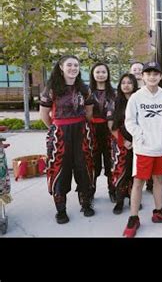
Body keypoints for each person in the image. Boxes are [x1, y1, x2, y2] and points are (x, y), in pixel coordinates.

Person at [122, 61, 162, 237]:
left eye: (155, 74)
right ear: (143, 76)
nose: (152, 77)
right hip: (143, 149)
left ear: (160, 76)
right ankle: (133, 217)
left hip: (160, 148)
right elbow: (130, 121)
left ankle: (159, 211)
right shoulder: (136, 97)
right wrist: (141, 136)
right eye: (148, 74)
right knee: (138, 182)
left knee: (159, 180)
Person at [40, 55, 95, 224]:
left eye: (76, 65)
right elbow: (44, 115)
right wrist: (56, 128)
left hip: (81, 132)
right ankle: (61, 210)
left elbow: (89, 112)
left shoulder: (84, 89)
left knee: (83, 166)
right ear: (61, 67)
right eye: (69, 65)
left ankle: (85, 203)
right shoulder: (51, 89)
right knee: (60, 170)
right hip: (60, 135)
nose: (73, 68)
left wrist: (82, 127)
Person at [108, 73, 139, 214]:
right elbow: (111, 125)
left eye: (129, 82)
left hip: (138, 142)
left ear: (134, 85)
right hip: (120, 142)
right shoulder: (114, 101)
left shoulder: (140, 100)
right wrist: (124, 141)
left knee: (135, 173)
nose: (126, 85)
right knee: (120, 171)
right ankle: (119, 201)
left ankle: (134, 199)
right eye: (123, 83)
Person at [89, 62, 116, 202]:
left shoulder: (114, 93)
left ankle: (112, 190)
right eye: (98, 72)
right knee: (92, 163)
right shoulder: (86, 92)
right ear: (93, 74)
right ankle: (90, 191)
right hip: (92, 131)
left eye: (103, 72)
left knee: (111, 161)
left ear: (108, 74)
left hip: (109, 130)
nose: (100, 75)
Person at [130, 62, 154, 193]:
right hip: (133, 133)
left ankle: (150, 184)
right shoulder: (127, 88)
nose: (137, 72)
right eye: (134, 69)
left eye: (140, 69)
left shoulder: (151, 89)